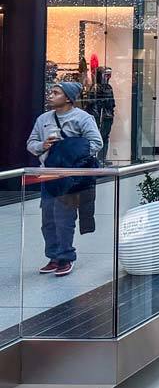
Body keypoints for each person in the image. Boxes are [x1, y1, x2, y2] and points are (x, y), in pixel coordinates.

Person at [27, 82, 102, 277]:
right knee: (48, 218)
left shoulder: (82, 118)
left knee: (64, 217)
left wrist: (71, 151)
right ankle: (53, 256)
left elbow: (96, 143)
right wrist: (43, 145)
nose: (50, 95)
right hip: (49, 175)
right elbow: (31, 144)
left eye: (55, 92)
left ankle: (66, 257)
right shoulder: (43, 119)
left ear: (68, 98)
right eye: (50, 91)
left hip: (71, 177)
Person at [89, 66, 115, 161]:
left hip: (107, 116)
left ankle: (102, 158)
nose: (108, 77)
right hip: (98, 116)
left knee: (105, 137)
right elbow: (92, 103)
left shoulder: (108, 87)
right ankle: (94, 158)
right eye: (106, 75)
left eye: (109, 75)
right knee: (96, 137)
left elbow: (112, 103)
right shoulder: (95, 87)